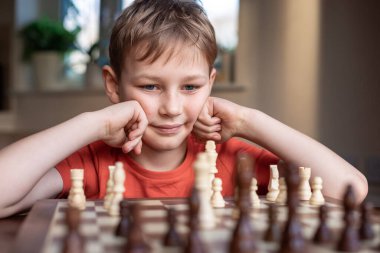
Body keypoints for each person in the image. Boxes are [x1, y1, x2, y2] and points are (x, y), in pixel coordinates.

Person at [0, 0, 367, 218]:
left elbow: (350, 189)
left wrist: (248, 120)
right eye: (150, 86)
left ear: (211, 82)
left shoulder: (227, 157)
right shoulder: (92, 162)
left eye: (190, 87)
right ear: (113, 84)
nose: (172, 108)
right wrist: (92, 124)